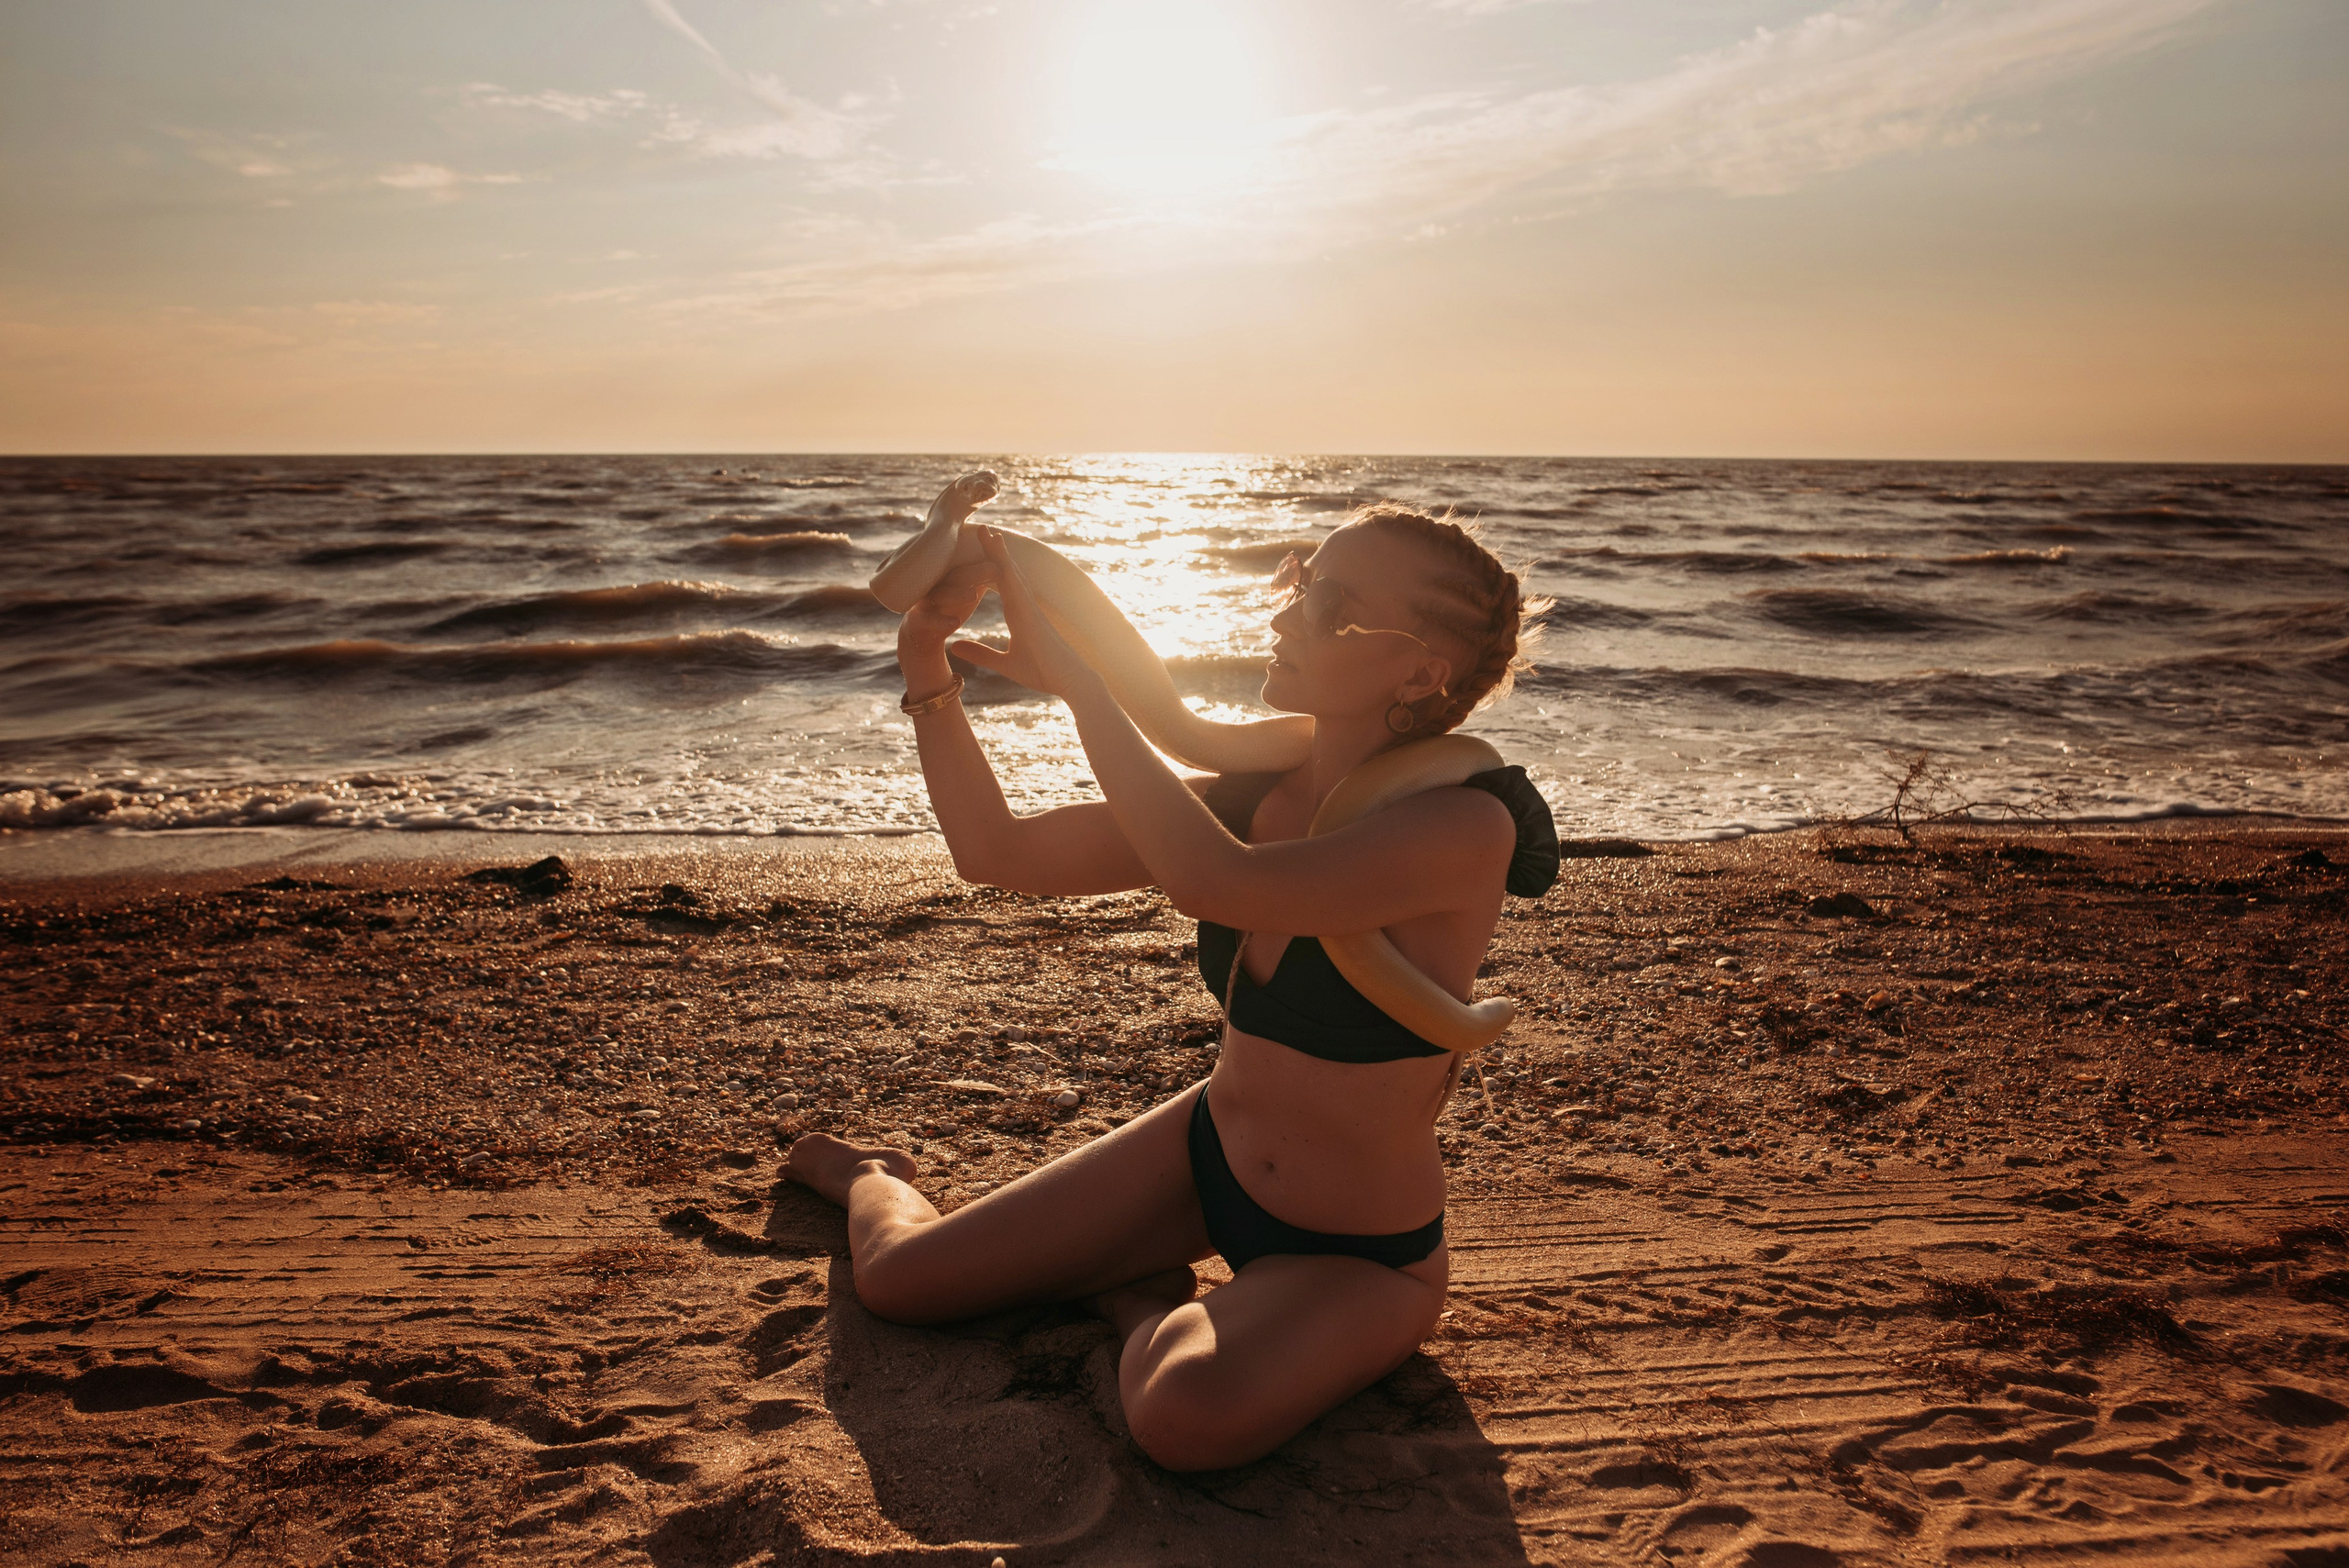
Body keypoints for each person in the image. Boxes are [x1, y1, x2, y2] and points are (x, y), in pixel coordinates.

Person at [787, 484, 1557, 1471]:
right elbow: (996, 851)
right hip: (1205, 1152)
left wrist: (1083, 686)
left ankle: (1138, 1291)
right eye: (1298, 580)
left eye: (1331, 607)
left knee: (1183, 1416)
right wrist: (926, 667)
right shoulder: (1256, 790)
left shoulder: (1461, 827)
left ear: (1421, 667)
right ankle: (873, 1172)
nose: (1285, 614)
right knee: (895, 1280)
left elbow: (1216, 881)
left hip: (1353, 1252)